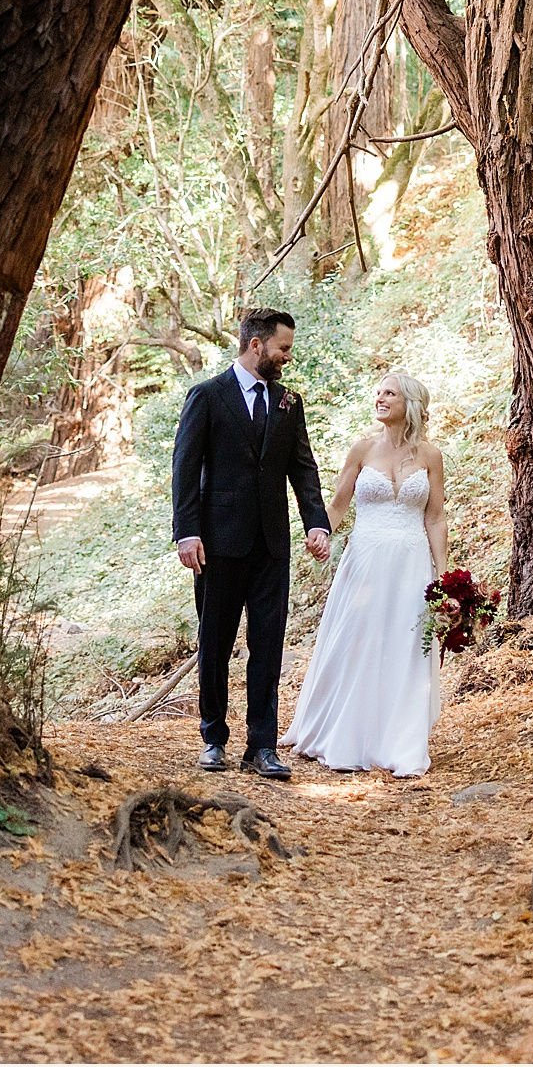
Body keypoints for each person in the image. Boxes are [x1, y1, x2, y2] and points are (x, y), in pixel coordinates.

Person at [170, 309, 331, 779]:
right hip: (215, 544)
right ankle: (213, 738)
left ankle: (261, 747)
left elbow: (303, 468)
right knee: (215, 642)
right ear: (256, 345)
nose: (287, 357)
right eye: (282, 348)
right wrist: (187, 531)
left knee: (268, 645)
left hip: (271, 546)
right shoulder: (207, 396)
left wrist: (315, 523)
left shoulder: (289, 402)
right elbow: (184, 468)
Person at [283, 370, 447, 778]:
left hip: (411, 563)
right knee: (356, 641)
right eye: (377, 392)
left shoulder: (430, 456)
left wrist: (443, 579)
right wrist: (321, 533)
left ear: (409, 403)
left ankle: (399, 742)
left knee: (405, 646)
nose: (380, 398)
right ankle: (345, 732)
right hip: (366, 560)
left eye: (389, 393)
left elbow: (436, 518)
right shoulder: (362, 450)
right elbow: (338, 505)